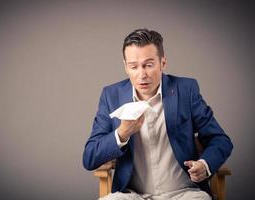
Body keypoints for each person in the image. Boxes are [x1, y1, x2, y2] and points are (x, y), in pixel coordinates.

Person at [82, 28, 233, 200]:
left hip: (184, 193)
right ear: (125, 67)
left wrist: (205, 165)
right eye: (134, 66)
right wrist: (122, 134)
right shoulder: (111, 95)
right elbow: (89, 158)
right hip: (132, 195)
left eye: (149, 65)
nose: (142, 74)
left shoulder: (186, 90)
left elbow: (220, 140)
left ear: (163, 63)